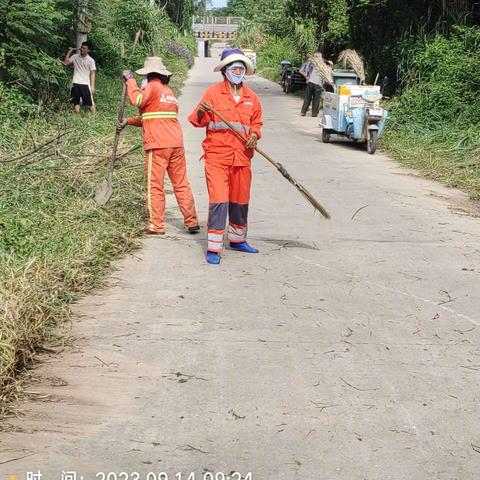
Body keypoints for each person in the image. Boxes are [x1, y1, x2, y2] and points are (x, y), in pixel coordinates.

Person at [188, 48, 263, 265]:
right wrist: (203, 111)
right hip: (217, 156)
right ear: (225, 71)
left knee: (240, 200)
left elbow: (257, 123)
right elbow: (195, 120)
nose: (238, 71)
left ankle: (238, 240)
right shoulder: (212, 94)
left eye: (241, 68)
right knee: (219, 200)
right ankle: (214, 246)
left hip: (242, 157)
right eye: (234, 68)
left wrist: (255, 136)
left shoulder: (252, 98)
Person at [117, 56, 199, 236]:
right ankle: (192, 221)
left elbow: (137, 100)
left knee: (155, 184)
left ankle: (156, 225)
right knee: (181, 183)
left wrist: (130, 80)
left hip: (158, 145)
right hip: (175, 144)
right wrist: (128, 121)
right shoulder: (168, 93)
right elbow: (151, 117)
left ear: (149, 74)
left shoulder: (151, 86)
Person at [63, 41, 97, 113]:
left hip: (85, 83)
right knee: (76, 101)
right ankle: (77, 116)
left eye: (84, 48)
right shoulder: (75, 56)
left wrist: (92, 86)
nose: (82, 49)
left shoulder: (91, 60)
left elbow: (93, 73)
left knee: (90, 102)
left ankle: (95, 117)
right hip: (76, 82)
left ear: (88, 50)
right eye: (81, 47)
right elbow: (66, 63)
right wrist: (69, 52)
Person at [300, 52, 324, 117]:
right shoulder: (323, 66)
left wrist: (307, 77)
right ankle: (314, 113)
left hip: (311, 82)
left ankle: (303, 112)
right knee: (316, 99)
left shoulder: (312, 64)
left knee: (307, 98)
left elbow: (305, 70)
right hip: (318, 84)